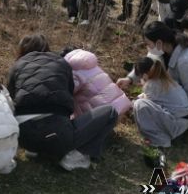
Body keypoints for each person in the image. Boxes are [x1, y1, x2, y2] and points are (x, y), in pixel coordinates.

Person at [8, 34, 118, 170]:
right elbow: (69, 95)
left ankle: (34, 150)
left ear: (21, 50)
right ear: (47, 48)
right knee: (110, 112)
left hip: (24, 137)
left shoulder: (17, 65)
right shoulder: (61, 63)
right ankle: (75, 156)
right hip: (57, 135)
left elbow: (10, 98)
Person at [132, 55, 188, 152]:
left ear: (144, 75)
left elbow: (148, 103)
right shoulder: (166, 78)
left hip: (177, 126)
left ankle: (159, 140)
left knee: (139, 104)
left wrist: (133, 103)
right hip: (186, 120)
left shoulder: (151, 85)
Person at [63, 48, 131, 117]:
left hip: (103, 113)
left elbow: (66, 92)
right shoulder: (92, 66)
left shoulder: (74, 72)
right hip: (119, 104)